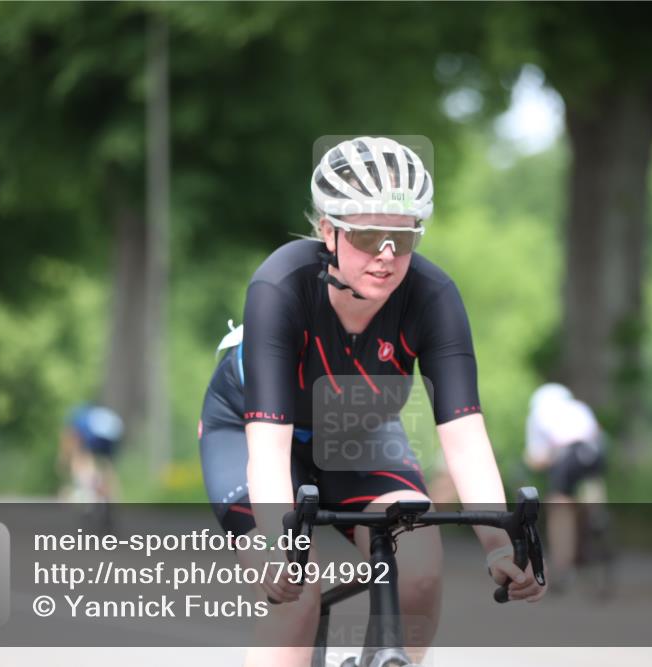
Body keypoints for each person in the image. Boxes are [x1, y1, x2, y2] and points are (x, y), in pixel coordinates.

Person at [198, 136, 545, 667]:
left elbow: (465, 435)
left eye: (402, 240)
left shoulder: (433, 296)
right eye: (367, 235)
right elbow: (268, 448)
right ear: (327, 231)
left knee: (421, 573)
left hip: (356, 429)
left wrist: (498, 543)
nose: (386, 255)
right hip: (252, 431)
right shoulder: (280, 285)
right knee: (296, 592)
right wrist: (276, 546)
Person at [524, 383, 606, 589]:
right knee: (591, 481)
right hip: (594, 453)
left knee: (559, 508)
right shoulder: (579, 407)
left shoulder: (537, 414)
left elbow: (538, 457)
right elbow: (596, 434)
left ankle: (562, 564)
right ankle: (594, 512)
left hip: (567, 456)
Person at [58, 403, 124, 507]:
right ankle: (112, 498)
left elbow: (70, 442)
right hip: (115, 429)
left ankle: (89, 491)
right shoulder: (93, 414)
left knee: (83, 457)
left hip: (97, 431)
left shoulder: (78, 419)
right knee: (108, 466)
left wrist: (65, 460)